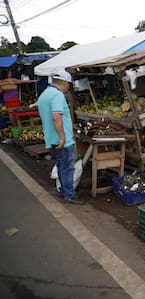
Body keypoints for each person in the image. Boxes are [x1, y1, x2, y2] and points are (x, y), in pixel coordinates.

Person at [38, 70, 83, 205]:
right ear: (64, 83)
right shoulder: (57, 95)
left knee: (62, 166)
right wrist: (63, 137)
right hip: (61, 140)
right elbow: (56, 117)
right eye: (69, 84)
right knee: (67, 168)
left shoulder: (45, 94)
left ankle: (64, 191)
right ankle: (69, 195)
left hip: (51, 139)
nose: (69, 87)